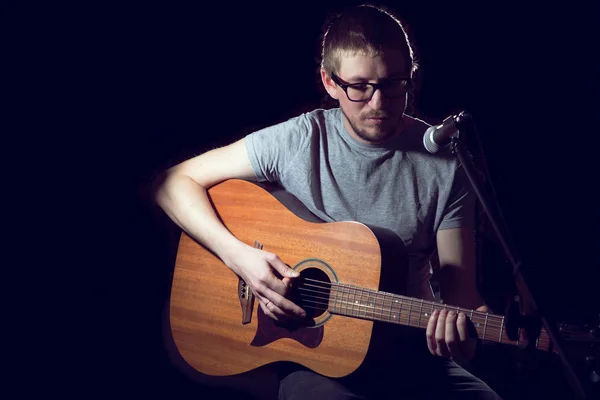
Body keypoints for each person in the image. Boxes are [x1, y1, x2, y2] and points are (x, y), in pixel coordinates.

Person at [151, 4, 503, 399]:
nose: (377, 103)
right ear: (330, 82)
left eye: (392, 84)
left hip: (409, 351)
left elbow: (461, 299)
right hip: (318, 361)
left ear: (411, 77)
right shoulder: (300, 140)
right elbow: (170, 183)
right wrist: (242, 260)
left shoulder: (445, 163)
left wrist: (465, 339)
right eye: (359, 86)